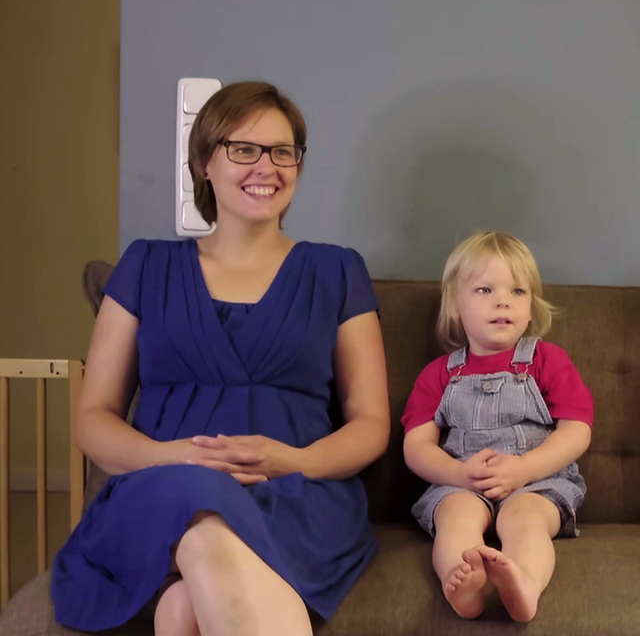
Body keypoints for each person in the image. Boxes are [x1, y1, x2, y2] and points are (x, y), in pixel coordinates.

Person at [52, 81, 390, 636]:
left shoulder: (337, 270)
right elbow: (93, 418)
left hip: (298, 495)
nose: (267, 166)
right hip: (161, 484)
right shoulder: (146, 265)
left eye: (283, 152)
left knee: (181, 610)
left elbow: (371, 422)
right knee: (203, 512)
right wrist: (173, 458)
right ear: (205, 161)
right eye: (244, 149)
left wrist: (292, 461)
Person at [402, 231, 593, 623]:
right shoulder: (440, 374)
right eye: (485, 290)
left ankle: (525, 583)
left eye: (517, 291)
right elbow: (416, 446)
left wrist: (525, 469)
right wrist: (458, 474)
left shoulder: (546, 360)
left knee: (524, 518)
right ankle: (461, 581)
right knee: (455, 516)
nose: (503, 301)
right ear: (455, 305)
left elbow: (577, 429)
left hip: (536, 482)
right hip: (463, 481)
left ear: (531, 305)